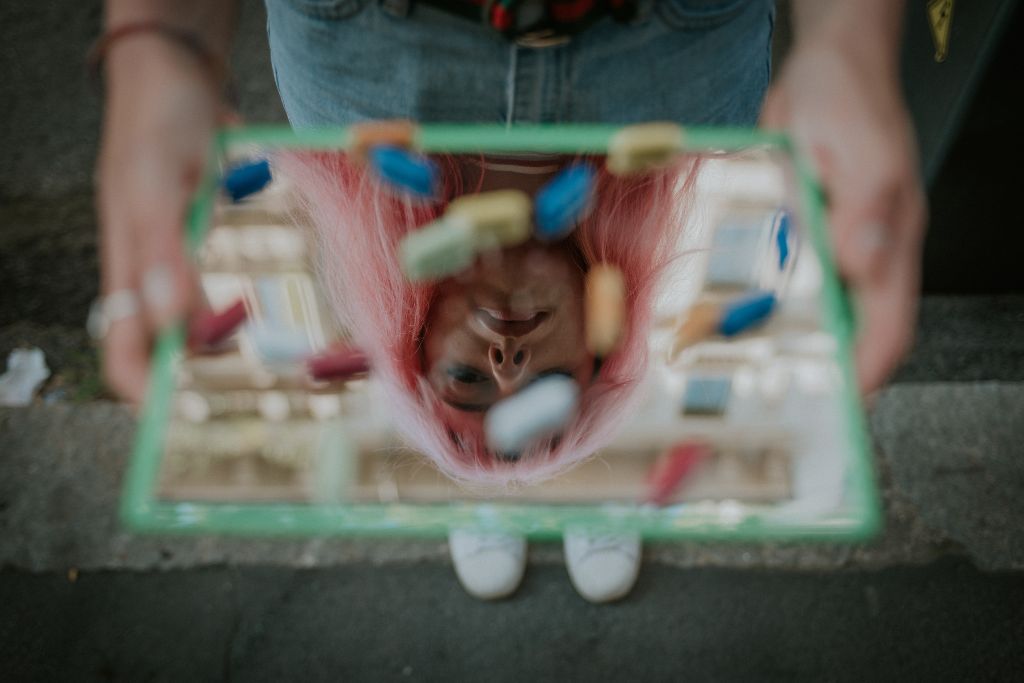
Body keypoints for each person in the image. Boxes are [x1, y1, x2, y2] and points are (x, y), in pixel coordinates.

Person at [92, 0, 926, 601]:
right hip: (661, 49)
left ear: (410, 333)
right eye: (542, 399)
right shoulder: (687, 163)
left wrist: (848, 40)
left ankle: (539, 480)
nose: (507, 364)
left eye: (468, 386)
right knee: (525, 454)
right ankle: (542, 481)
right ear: (604, 352)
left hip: (381, 44)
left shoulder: (364, 171)